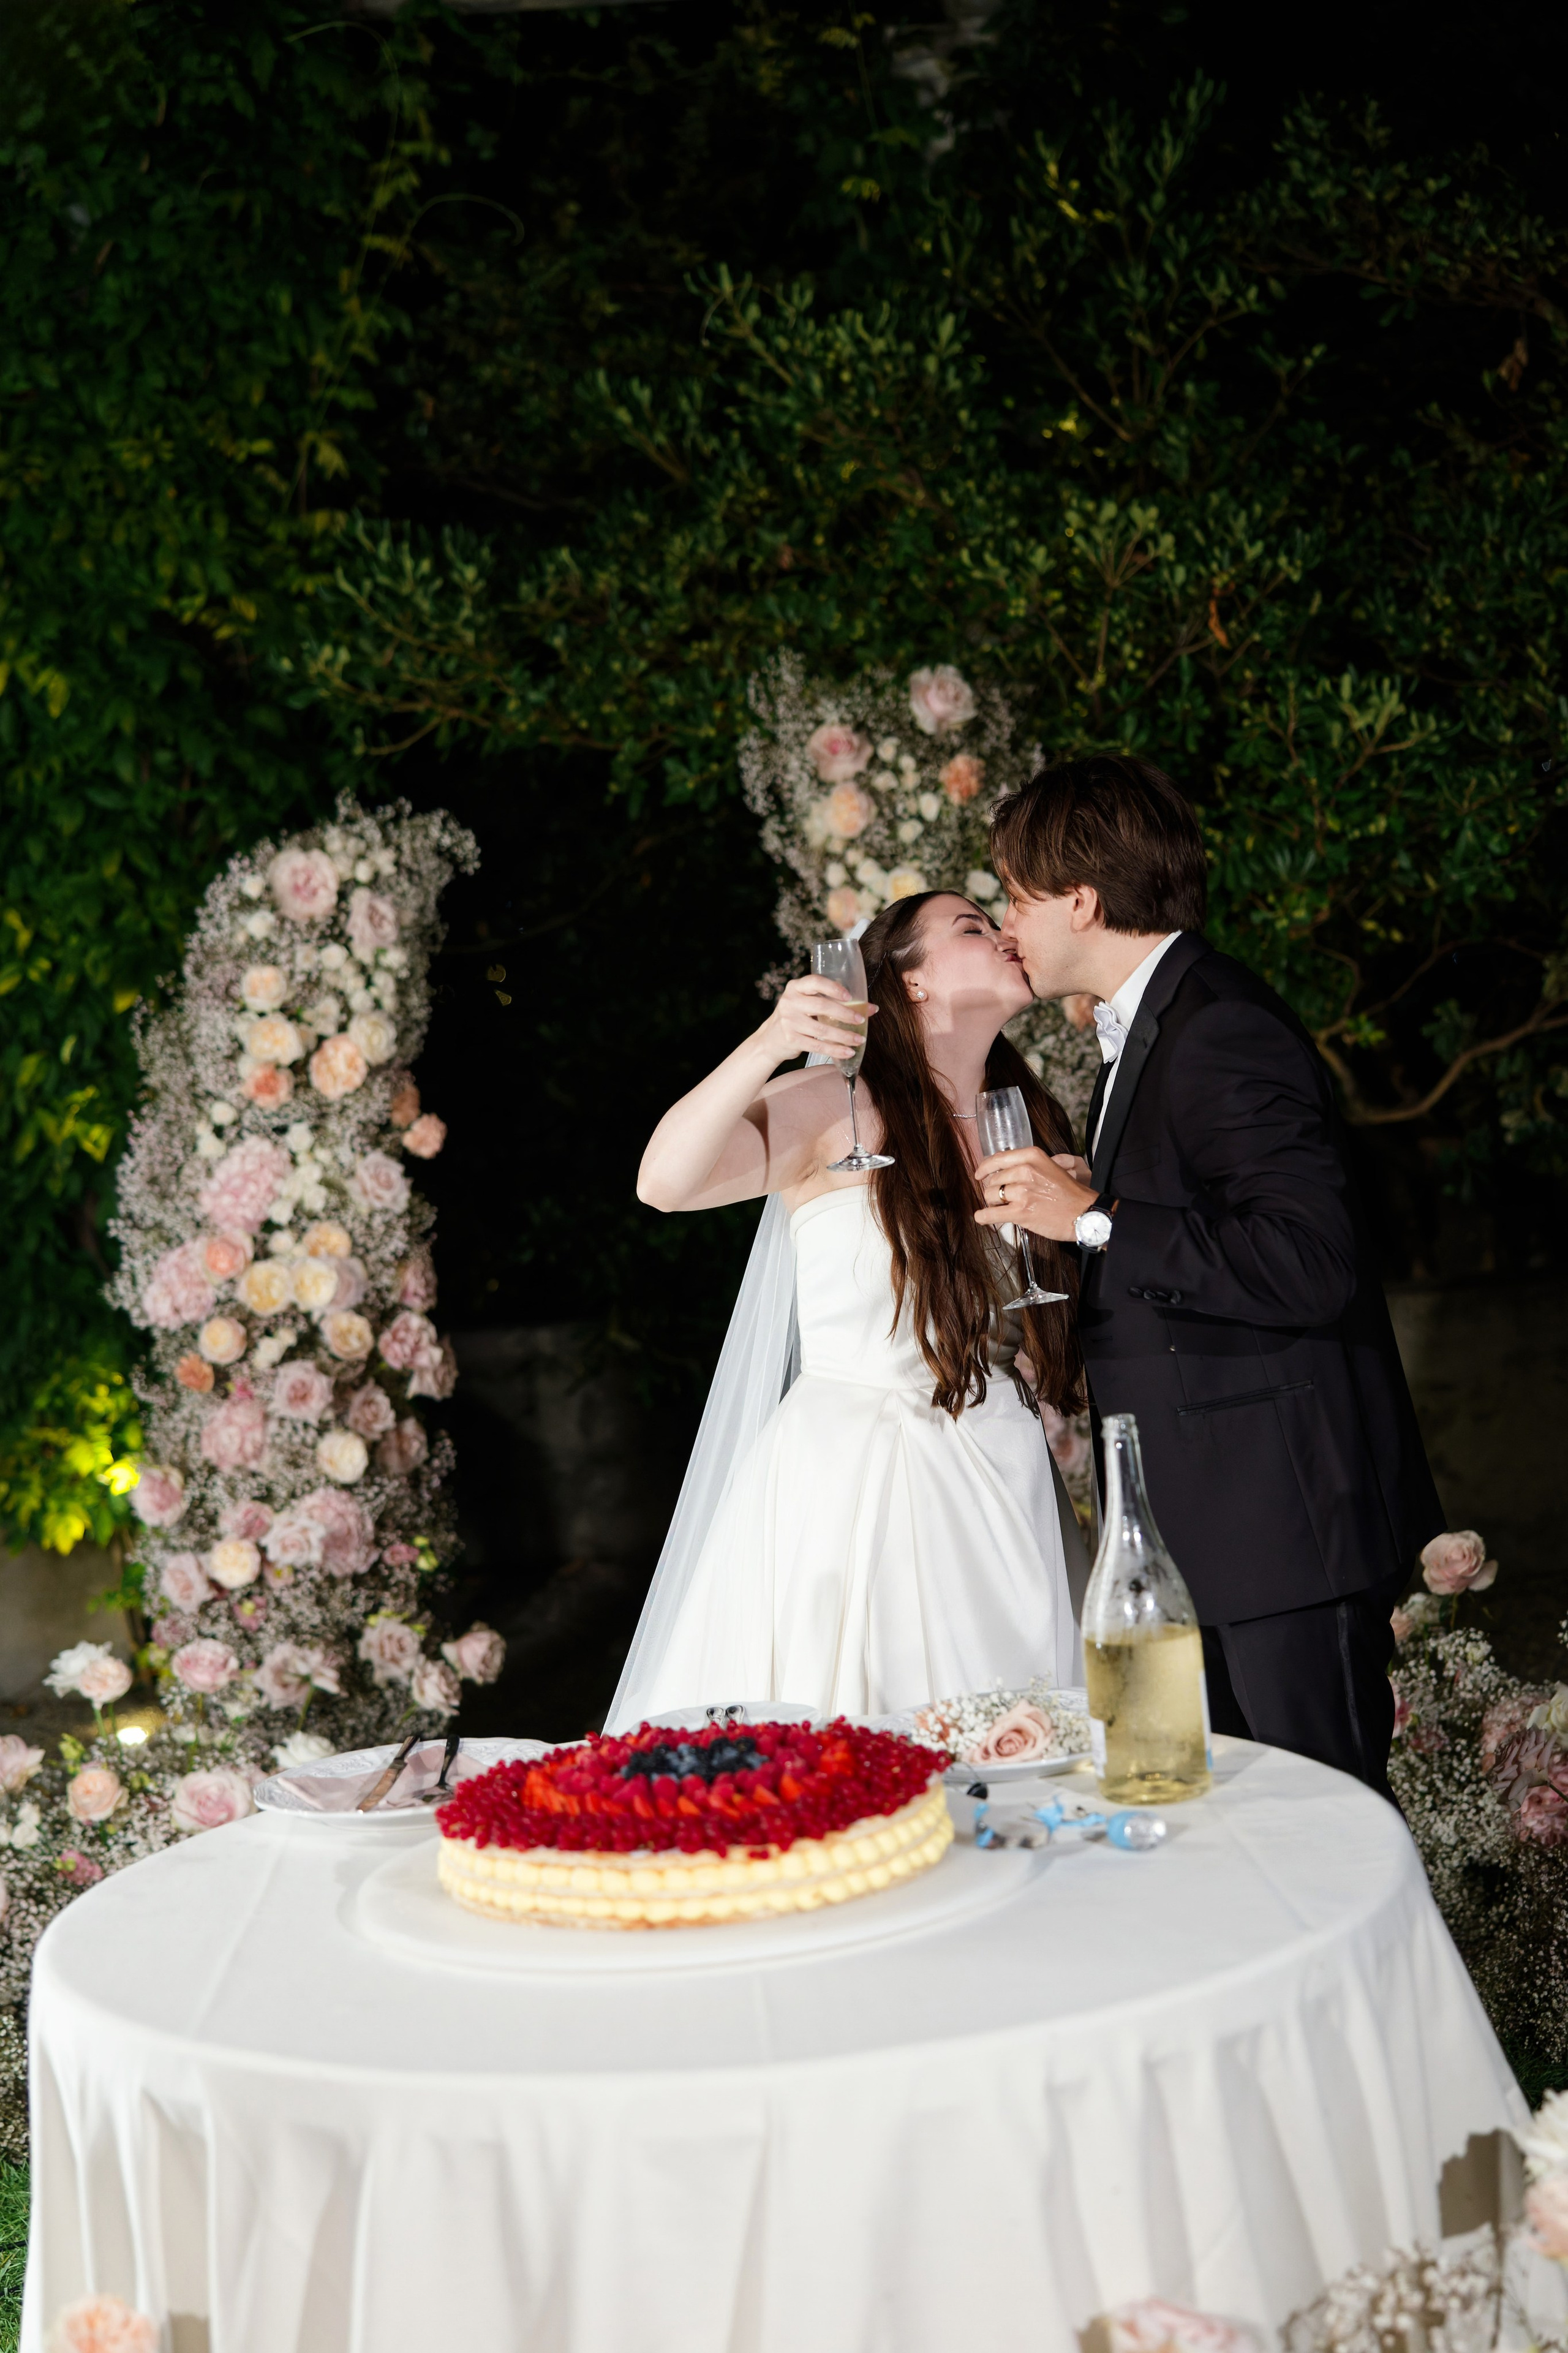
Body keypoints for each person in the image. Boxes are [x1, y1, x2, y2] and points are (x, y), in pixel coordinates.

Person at [970, 753, 1444, 1797]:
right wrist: (1102, 1195)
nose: (1010, 923)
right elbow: (1204, 1216)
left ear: (1082, 898)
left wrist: (1094, 1217)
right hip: (1196, 1538)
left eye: (1016, 895)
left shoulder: (1219, 1023)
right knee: (1213, 1844)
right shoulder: (1149, 1025)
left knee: (1324, 1835)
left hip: (1280, 1536)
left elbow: (1312, 1261)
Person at [608, 891, 1090, 1731]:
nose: (1002, 933)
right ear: (909, 985)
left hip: (1005, 1480)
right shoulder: (840, 1107)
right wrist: (772, 1042)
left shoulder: (1031, 1124)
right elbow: (664, 1182)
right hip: (859, 1486)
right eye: (973, 927)